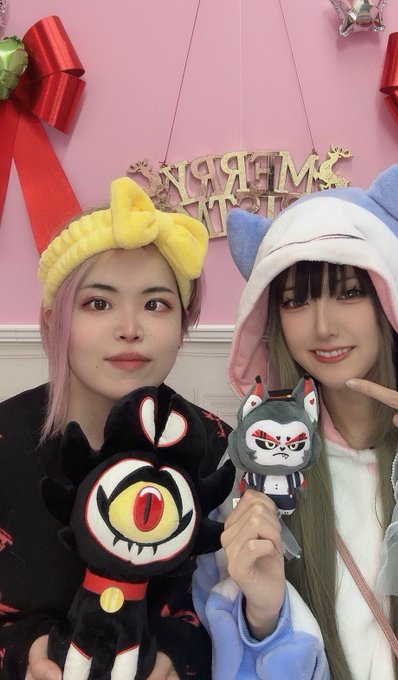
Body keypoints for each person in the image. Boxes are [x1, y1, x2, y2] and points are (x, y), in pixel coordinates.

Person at [193, 163, 398, 679]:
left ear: (392, 295)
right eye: (296, 300)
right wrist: (264, 617)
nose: (323, 327)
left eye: (348, 292)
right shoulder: (260, 469)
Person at [0, 177, 233, 680]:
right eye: (98, 303)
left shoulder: (217, 449)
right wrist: (22, 652)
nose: (130, 328)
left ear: (183, 323)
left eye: (156, 304)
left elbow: (237, 610)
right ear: (53, 321)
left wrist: (182, 654)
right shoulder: (6, 442)